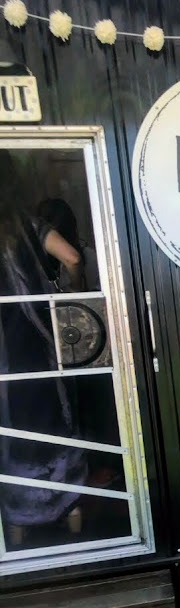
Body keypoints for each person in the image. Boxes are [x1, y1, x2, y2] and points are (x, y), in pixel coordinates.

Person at [0, 152, 87, 545]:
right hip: (38, 346)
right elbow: (72, 256)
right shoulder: (31, 226)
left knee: (12, 434)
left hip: (5, 365)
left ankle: (18, 544)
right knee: (54, 424)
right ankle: (80, 535)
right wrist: (71, 292)